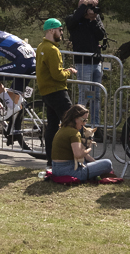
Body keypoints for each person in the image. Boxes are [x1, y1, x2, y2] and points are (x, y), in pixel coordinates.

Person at [37, 18, 77, 166]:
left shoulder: (41, 46)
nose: (61, 33)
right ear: (52, 30)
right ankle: (73, 159)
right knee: (73, 123)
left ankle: (51, 161)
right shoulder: (52, 50)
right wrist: (69, 72)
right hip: (57, 91)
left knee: (52, 127)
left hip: (47, 92)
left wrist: (63, 71)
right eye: (60, 30)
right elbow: (57, 75)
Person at [66, 0, 107, 129]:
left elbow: (101, 35)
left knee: (96, 96)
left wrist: (93, 20)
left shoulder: (94, 20)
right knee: (84, 95)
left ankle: (95, 126)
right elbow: (72, 23)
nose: (91, 10)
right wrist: (84, 5)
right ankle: (79, 125)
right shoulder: (74, 20)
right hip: (83, 63)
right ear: (81, 7)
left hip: (96, 62)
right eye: (88, 6)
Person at [50, 103, 113, 181]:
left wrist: (95, 162)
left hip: (56, 170)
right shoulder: (74, 133)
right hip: (70, 171)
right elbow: (78, 155)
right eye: (83, 120)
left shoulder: (62, 129)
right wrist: (89, 148)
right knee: (107, 163)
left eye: (86, 120)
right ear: (75, 118)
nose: (84, 123)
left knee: (94, 163)